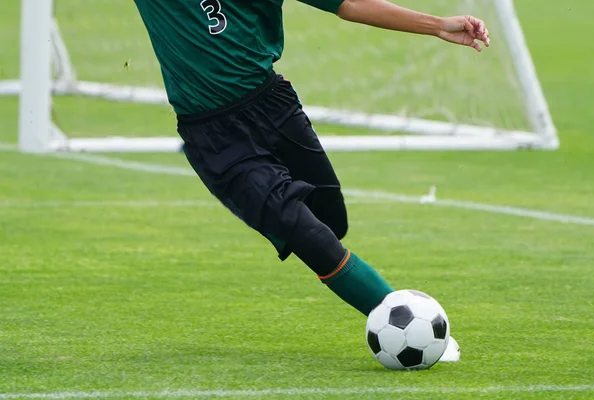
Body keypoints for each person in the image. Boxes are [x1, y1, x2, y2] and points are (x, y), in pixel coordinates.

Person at [133, 0, 490, 317]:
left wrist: (439, 25)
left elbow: (348, 3)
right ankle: (403, 319)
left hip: (273, 106)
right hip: (213, 136)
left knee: (329, 221)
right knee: (306, 234)